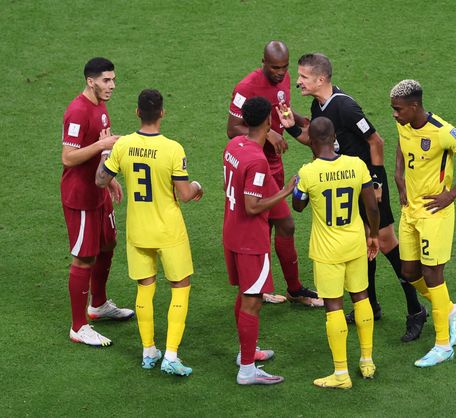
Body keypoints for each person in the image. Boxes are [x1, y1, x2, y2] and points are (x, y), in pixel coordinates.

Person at [277, 53, 426, 342]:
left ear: (321, 79)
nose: (298, 82)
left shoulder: (345, 106)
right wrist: (290, 125)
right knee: (363, 246)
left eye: (303, 77)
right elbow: (314, 140)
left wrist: (377, 182)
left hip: (368, 185)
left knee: (386, 245)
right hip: (348, 184)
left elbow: (376, 141)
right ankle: (369, 305)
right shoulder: (318, 105)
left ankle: (415, 310)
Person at [95, 89, 203, 376]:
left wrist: (105, 151)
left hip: (138, 230)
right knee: (180, 286)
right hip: (168, 230)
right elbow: (184, 193)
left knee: (145, 287)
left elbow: (100, 179)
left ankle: (148, 351)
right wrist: (198, 187)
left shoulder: (123, 146)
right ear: (162, 113)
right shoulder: (173, 149)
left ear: (137, 112)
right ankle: (170, 355)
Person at [390, 79, 456, 367]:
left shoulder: (443, 132)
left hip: (435, 212)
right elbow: (401, 144)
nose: (394, 115)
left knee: (433, 274)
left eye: (398, 109)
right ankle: (450, 309)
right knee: (408, 271)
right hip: (411, 211)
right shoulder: (404, 124)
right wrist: (398, 175)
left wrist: (451, 194)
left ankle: (443, 345)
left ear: (414, 106)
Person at [227, 41, 322, 307]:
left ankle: (274, 288)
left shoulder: (284, 79)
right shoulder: (245, 88)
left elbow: (282, 110)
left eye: (284, 67)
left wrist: (302, 120)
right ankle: (285, 289)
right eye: (275, 67)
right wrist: (266, 132)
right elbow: (232, 128)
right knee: (282, 224)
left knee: (272, 225)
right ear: (263, 62)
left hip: (275, 164)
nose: (281, 73)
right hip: (257, 167)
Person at [293, 117, 380, 389]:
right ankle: (367, 361)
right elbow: (373, 208)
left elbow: (297, 206)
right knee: (361, 298)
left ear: (312, 140)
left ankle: (341, 374)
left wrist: (298, 186)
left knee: (334, 307)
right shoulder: (356, 165)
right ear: (333, 137)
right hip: (355, 243)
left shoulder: (308, 172)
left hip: (327, 250)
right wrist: (374, 235)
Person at [61, 57, 134, 347]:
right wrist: (101, 146)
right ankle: (78, 326)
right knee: (84, 257)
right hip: (80, 197)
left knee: (107, 243)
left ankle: (99, 304)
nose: (112, 85)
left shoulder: (100, 106)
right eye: (106, 80)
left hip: (98, 190)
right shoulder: (77, 111)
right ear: (91, 81)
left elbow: (97, 153)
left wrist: (109, 178)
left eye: (113, 80)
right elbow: (68, 157)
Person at [223, 96, 296, 385]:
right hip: (250, 240)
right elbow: (252, 205)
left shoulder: (233, 147)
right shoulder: (256, 159)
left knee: (244, 294)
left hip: (231, 231)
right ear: (268, 120)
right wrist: (285, 191)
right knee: (252, 301)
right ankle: (247, 370)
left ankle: (247, 353)